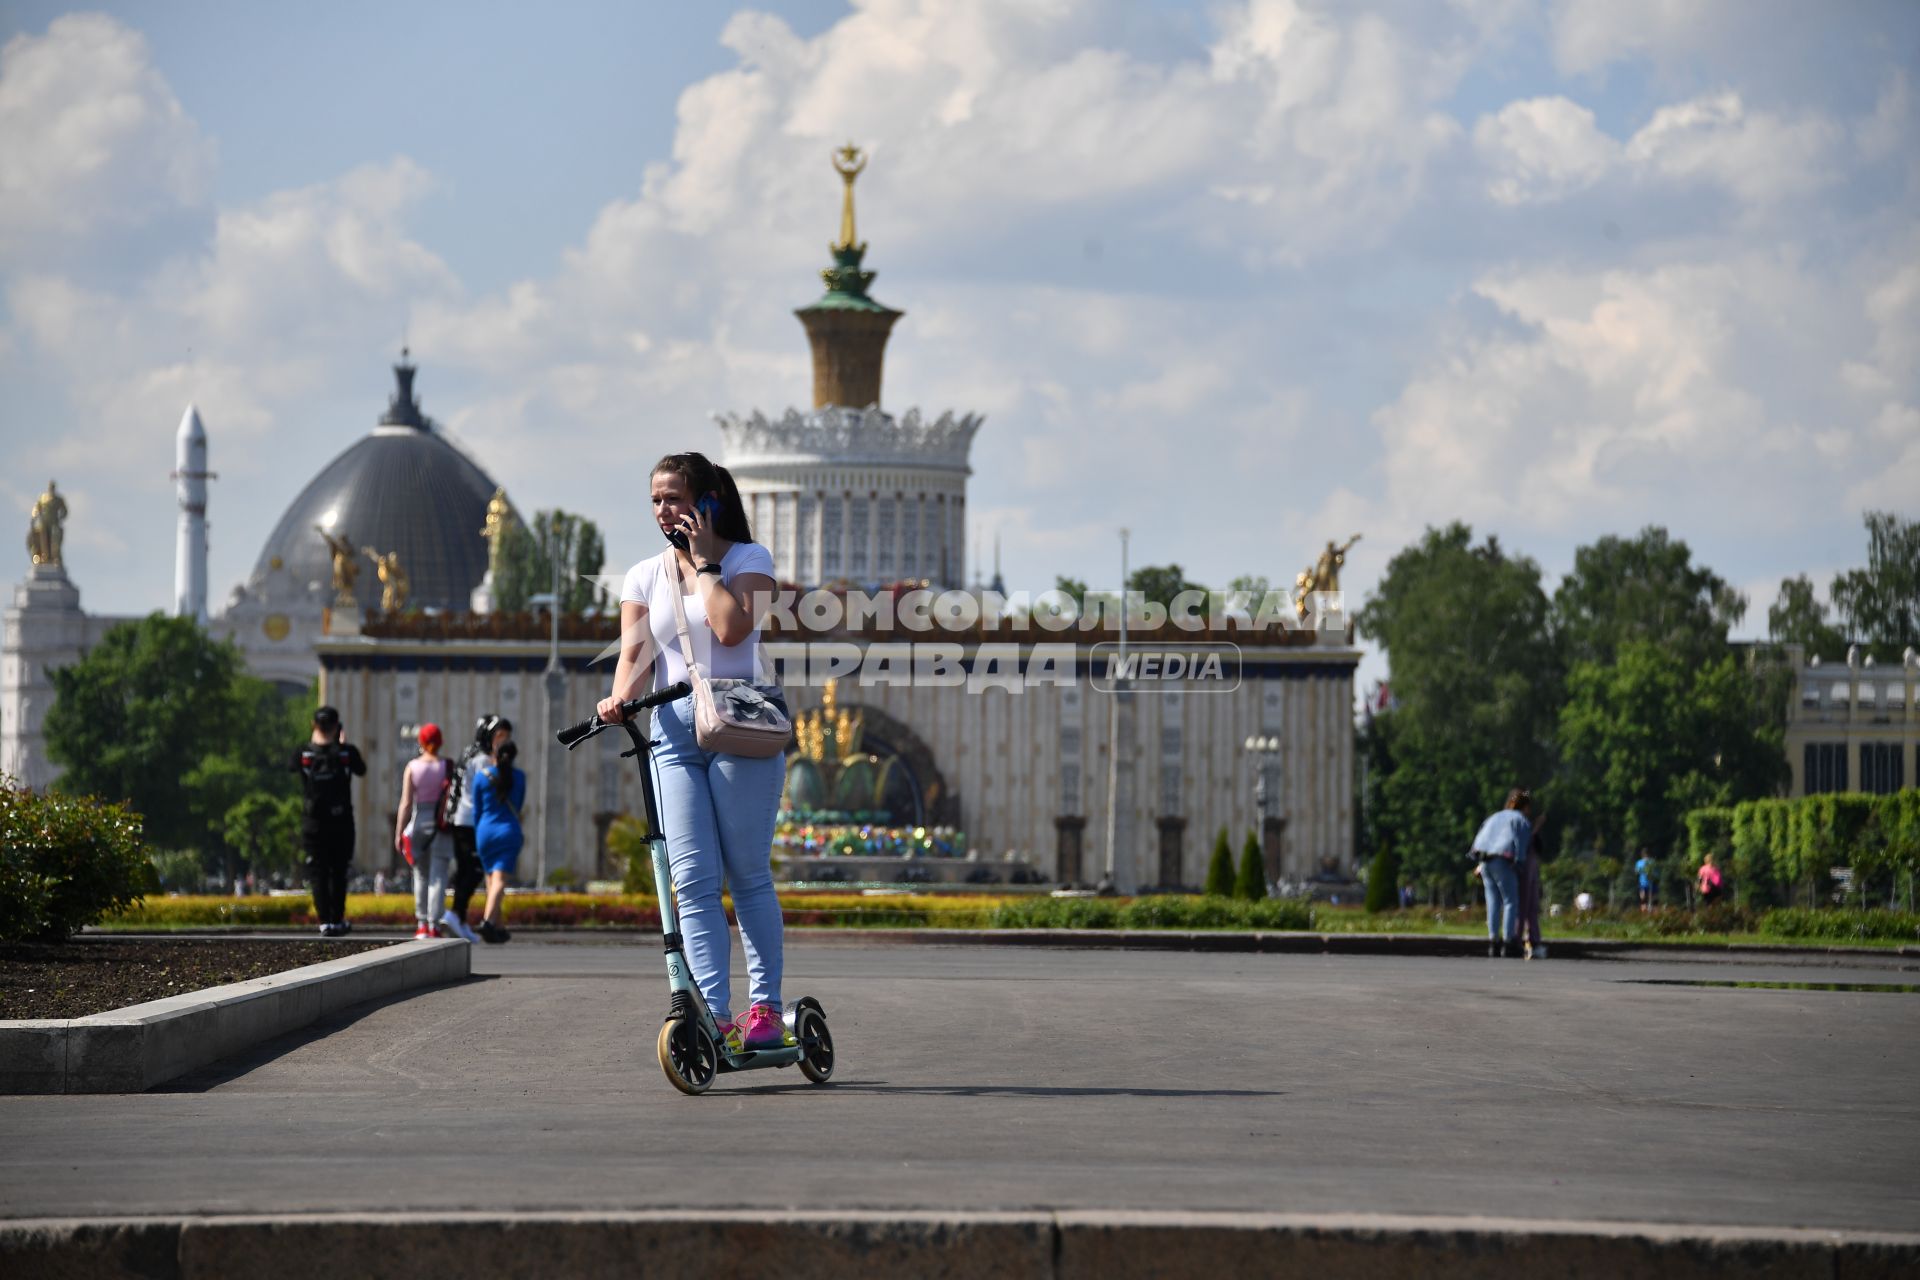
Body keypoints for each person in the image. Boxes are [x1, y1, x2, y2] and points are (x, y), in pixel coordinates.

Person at [597, 451, 791, 1054]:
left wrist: (706, 565)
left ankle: (765, 1008)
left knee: (748, 874)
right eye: (656, 499)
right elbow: (635, 657)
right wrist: (617, 700)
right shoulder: (641, 576)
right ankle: (713, 1012)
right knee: (693, 882)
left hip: (739, 722)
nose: (664, 510)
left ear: (706, 502)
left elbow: (732, 629)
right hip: (673, 732)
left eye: (675, 498)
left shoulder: (747, 560)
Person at [292, 706, 366, 937]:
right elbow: (361, 770)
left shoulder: (304, 753)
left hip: (313, 823)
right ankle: (337, 919)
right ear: (337, 726)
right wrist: (340, 745)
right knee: (339, 871)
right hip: (341, 821)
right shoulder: (346, 753)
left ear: (314, 726)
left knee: (318, 873)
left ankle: (324, 921)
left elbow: (291, 767)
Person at [439, 715, 503, 944]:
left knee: (466, 868)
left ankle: (461, 920)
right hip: (472, 820)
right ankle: (454, 914)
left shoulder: (467, 753)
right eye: (497, 735)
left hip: (458, 819)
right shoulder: (484, 760)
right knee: (474, 870)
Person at [395, 723, 453, 940]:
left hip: (419, 823)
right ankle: (434, 924)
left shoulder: (412, 767)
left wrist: (399, 831)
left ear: (421, 741)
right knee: (438, 876)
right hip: (442, 825)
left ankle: (421, 925)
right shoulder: (446, 766)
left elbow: (406, 803)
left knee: (419, 874)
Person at [472, 734, 526, 944]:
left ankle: (499, 927)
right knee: (500, 882)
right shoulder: (519, 777)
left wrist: (478, 834)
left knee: (491, 883)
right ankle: (487, 922)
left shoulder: (480, 777)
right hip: (507, 832)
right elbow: (519, 806)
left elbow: (477, 811)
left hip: (484, 832)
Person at [1468, 787, 1533, 958]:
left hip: (1485, 859)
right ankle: (1508, 941)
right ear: (1525, 807)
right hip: (1503, 860)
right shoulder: (1521, 820)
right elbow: (1521, 844)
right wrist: (1519, 864)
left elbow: (1481, 837)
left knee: (1493, 901)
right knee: (1511, 900)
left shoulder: (1495, 817)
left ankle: (1493, 941)